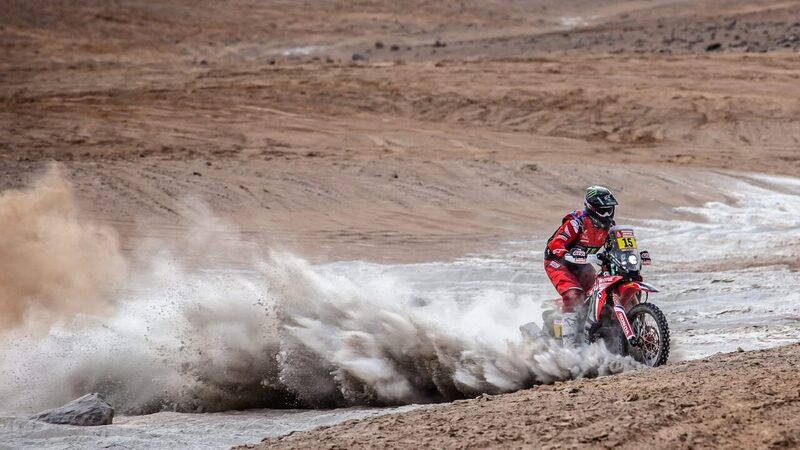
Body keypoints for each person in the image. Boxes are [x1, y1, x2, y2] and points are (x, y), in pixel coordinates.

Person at [543, 186, 617, 343]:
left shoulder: (611, 227)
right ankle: (570, 346)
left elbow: (618, 247)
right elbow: (555, 243)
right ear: (592, 208)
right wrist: (566, 253)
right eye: (603, 210)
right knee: (574, 295)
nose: (607, 214)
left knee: (601, 290)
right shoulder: (577, 223)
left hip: (582, 264)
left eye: (609, 209)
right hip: (557, 262)